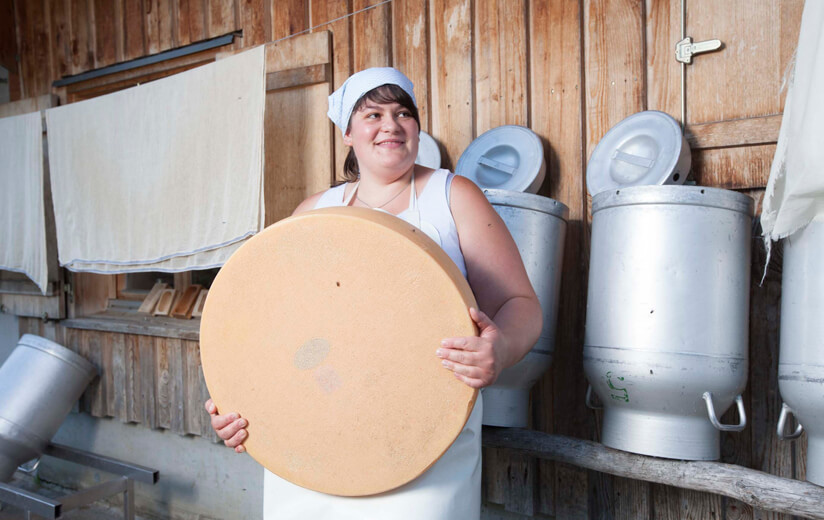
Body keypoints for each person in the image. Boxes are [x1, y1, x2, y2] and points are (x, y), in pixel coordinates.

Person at [205, 67, 542, 519]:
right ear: (347, 132)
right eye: (374, 114)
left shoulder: (452, 196)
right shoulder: (313, 213)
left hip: (422, 440)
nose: (392, 125)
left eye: (404, 113)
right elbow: (273, 326)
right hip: (315, 443)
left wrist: (499, 351)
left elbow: (520, 305)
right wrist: (238, 397)